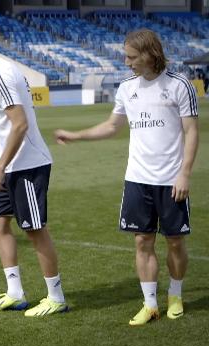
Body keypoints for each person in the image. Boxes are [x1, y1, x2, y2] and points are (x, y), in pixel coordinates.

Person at [55, 29, 198, 325]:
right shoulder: (126, 88)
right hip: (137, 179)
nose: (126, 62)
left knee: (174, 242)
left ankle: (175, 294)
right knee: (142, 242)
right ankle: (150, 304)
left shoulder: (179, 85)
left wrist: (185, 174)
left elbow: (191, 132)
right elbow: (112, 126)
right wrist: (76, 135)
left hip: (172, 179)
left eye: (131, 57)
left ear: (150, 54)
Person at [0, 29, 68, 316]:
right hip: (13, 166)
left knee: (34, 230)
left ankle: (56, 297)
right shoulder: (0, 71)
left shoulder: (1, 73)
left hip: (27, 165)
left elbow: (19, 124)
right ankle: (15, 293)